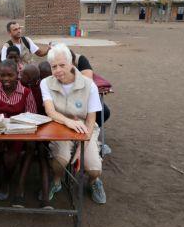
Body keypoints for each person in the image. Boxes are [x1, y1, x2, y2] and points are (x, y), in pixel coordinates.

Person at [40, 43, 106, 204]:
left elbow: (91, 119)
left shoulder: (89, 85)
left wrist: (83, 144)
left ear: (71, 63)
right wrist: (68, 122)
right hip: (60, 125)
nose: (58, 70)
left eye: (62, 65)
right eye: (54, 66)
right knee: (60, 162)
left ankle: (94, 182)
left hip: (85, 128)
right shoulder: (46, 83)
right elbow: (50, 111)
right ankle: (57, 180)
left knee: (94, 169)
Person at [0, 60, 37, 201]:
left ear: (17, 74)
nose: (6, 79)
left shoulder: (26, 92)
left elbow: (31, 118)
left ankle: (5, 182)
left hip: (17, 134)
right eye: (2, 75)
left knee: (10, 159)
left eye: (10, 75)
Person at [12, 64, 50, 208]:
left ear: (34, 78)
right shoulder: (21, 87)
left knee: (42, 153)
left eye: (25, 75)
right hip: (25, 126)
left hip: (43, 127)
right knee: (30, 149)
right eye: (22, 74)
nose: (21, 76)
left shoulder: (41, 89)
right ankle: (19, 191)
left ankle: (45, 197)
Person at [69, 49, 111, 127]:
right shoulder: (54, 64)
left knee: (104, 112)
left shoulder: (80, 59)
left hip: (82, 94)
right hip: (62, 97)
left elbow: (87, 82)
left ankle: (88, 130)